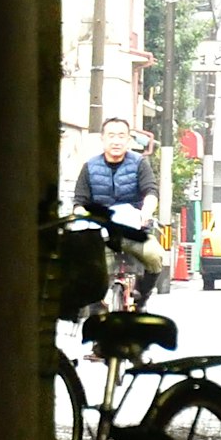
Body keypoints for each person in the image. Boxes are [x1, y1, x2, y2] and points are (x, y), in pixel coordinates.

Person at [77, 116, 163, 302]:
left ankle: (143, 294)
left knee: (154, 256)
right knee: (93, 270)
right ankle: (95, 306)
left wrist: (145, 213)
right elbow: (79, 202)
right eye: (111, 136)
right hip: (101, 235)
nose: (116, 141)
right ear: (103, 139)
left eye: (121, 136)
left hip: (134, 231)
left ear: (128, 140)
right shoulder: (89, 167)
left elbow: (151, 191)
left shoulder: (140, 163)